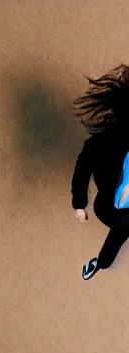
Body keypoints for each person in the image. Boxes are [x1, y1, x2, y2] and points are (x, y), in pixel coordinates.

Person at [71, 64, 129, 280]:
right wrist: (79, 204)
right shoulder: (100, 143)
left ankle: (102, 262)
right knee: (123, 228)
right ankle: (101, 263)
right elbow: (82, 168)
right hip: (111, 209)